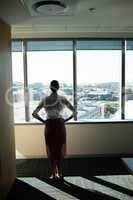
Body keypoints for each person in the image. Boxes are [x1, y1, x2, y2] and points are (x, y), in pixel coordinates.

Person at [32, 80, 75, 180]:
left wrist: (44, 121)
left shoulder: (45, 99)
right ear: (58, 87)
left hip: (49, 125)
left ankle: (53, 173)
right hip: (60, 124)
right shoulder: (63, 99)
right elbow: (74, 112)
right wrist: (65, 120)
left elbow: (34, 113)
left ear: (50, 87)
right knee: (60, 148)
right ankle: (60, 173)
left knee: (51, 148)